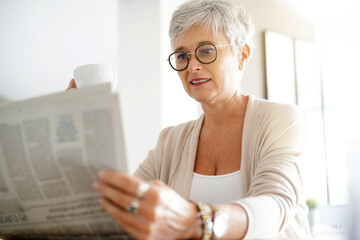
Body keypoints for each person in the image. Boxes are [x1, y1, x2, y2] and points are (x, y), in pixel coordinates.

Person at [68, 0, 312, 239]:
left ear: (242, 55)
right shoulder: (171, 141)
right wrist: (82, 133)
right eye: (182, 56)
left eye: (206, 50)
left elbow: (274, 205)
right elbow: (122, 206)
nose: (192, 66)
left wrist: (194, 221)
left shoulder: (280, 119)